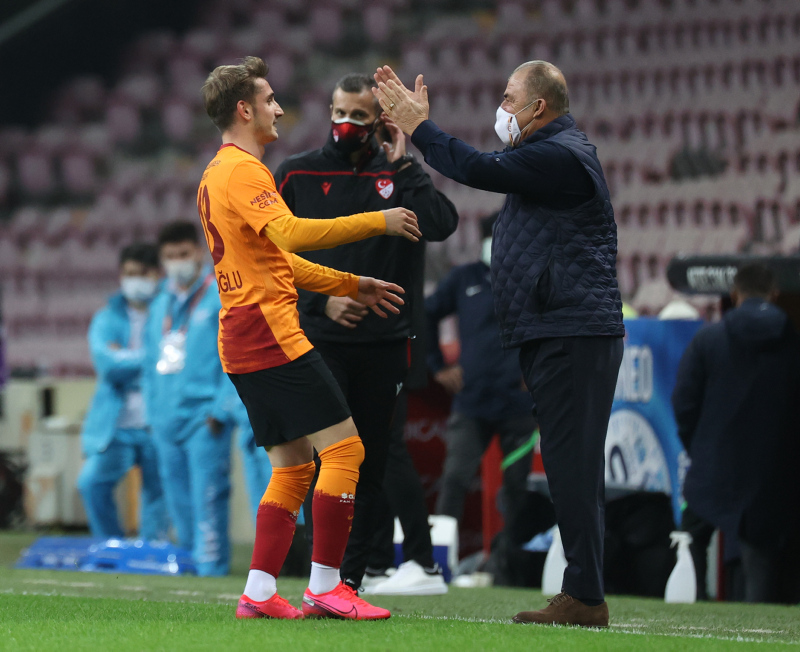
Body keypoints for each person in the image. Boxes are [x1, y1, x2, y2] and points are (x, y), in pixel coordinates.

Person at [374, 61, 624, 627]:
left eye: (510, 99)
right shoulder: (552, 153)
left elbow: (475, 168)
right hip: (561, 329)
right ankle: (584, 591)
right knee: (570, 465)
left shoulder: (558, 155)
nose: (502, 108)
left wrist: (419, 128)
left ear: (539, 106)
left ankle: (585, 595)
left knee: (572, 465)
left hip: (572, 331)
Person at [198, 56, 422, 620]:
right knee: (346, 450)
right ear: (244, 109)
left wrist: (351, 283)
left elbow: (279, 261)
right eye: (269, 100)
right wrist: (379, 219)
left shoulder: (217, 173)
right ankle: (325, 586)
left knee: (294, 467)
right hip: (269, 332)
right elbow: (292, 233)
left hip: (241, 335)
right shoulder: (244, 171)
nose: (278, 109)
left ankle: (258, 592)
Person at [273, 72, 458, 596]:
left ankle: (352, 578)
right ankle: (323, 573)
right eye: (339, 112)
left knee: (372, 462)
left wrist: (406, 165)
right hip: (320, 340)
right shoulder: (297, 173)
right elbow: (268, 253)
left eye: (358, 115)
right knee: (328, 457)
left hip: (385, 343)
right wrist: (321, 300)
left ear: (379, 122)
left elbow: (441, 223)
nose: (346, 123)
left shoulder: (396, 172)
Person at [672, 263, 800, 604]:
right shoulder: (792, 344)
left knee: (690, 546)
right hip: (768, 478)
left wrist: (700, 449)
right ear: (774, 295)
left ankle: (690, 613)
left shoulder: (708, 339)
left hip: (710, 470)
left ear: (734, 294)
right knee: (760, 571)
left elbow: (683, 403)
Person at [426, 213, 538, 583]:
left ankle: (509, 567)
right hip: (472, 402)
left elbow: (553, 329)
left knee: (518, 487)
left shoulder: (531, 278)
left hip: (518, 406)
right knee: (455, 478)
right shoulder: (465, 278)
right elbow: (425, 315)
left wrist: (538, 373)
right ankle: (437, 565)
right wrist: (437, 366)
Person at [143, 221, 240, 577]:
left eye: (183, 253)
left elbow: (235, 356)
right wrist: (152, 414)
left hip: (204, 418)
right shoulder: (160, 303)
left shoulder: (219, 297)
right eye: (170, 256)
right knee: (177, 500)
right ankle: (186, 567)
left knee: (208, 497)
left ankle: (211, 569)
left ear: (199, 252)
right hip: (165, 419)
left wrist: (221, 408)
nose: (177, 262)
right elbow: (148, 364)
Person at [78, 243, 168, 541]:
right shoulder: (107, 318)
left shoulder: (170, 311)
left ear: (156, 274)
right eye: (129, 273)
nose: (135, 280)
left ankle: (151, 550)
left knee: (158, 493)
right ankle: (110, 545)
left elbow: (180, 362)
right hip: (116, 426)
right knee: (91, 483)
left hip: (157, 421)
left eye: (141, 273)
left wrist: (125, 356)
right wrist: (154, 358)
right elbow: (108, 365)